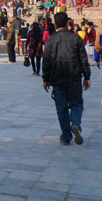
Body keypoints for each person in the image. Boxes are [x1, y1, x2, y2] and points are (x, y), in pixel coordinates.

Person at [42, 12, 91, 145]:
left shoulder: (50, 40)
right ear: (67, 23)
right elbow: (83, 59)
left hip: (57, 79)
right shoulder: (76, 39)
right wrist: (87, 76)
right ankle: (75, 123)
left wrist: (45, 79)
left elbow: (46, 61)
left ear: (56, 23)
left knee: (61, 107)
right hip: (74, 77)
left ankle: (65, 135)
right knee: (77, 103)